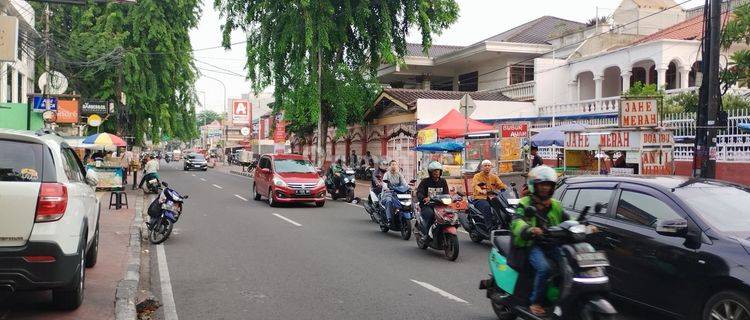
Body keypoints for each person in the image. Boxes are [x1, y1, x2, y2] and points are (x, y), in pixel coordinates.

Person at [510, 165, 567, 317]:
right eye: (542, 184)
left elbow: (568, 219)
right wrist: (529, 230)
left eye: (548, 185)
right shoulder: (525, 202)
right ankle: (535, 302)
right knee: (544, 268)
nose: (545, 188)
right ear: (534, 186)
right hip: (532, 245)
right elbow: (516, 221)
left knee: (568, 265)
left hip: (552, 243)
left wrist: (585, 226)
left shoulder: (555, 204)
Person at [416, 161, 449, 242]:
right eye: (434, 171)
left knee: (449, 216)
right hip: (427, 205)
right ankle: (427, 235)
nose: (436, 172)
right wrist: (424, 198)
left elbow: (446, 193)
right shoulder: (425, 181)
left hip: (440, 205)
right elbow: (419, 193)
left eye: (438, 170)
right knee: (430, 215)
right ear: (430, 172)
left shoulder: (443, 181)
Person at [472, 160, 508, 229]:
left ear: (491, 167)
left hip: (492, 197)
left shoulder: (494, 177)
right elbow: (475, 186)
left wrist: (508, 189)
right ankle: (490, 227)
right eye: (485, 166)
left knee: (502, 205)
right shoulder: (477, 176)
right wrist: (481, 191)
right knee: (486, 207)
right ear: (482, 167)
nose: (487, 167)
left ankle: (503, 224)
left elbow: (500, 185)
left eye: (489, 165)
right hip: (480, 198)